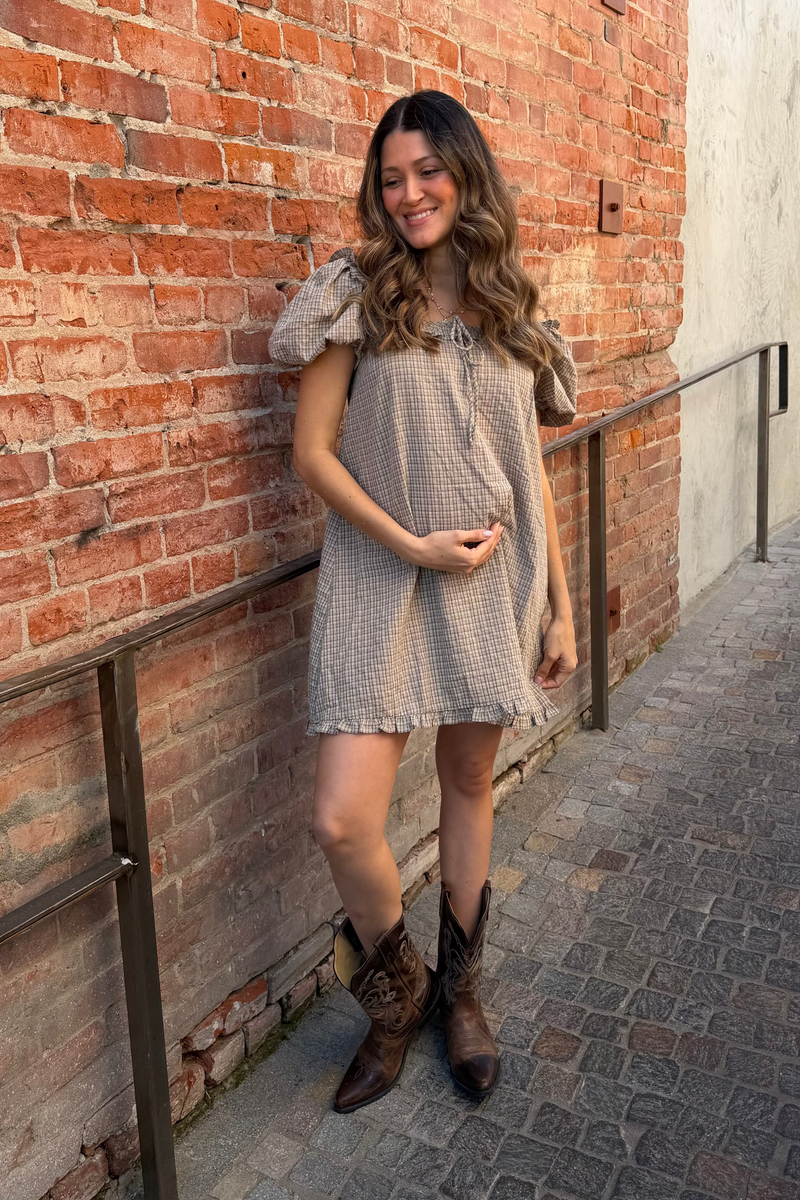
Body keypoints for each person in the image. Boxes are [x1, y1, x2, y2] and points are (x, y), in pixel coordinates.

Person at [267, 90, 578, 1114]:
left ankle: (464, 996)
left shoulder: (510, 304)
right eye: (391, 178)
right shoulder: (355, 294)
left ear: (465, 173)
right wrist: (407, 542)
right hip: (378, 574)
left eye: (427, 172)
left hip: (491, 579)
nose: (409, 194)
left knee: (469, 779)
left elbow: (528, 470)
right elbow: (312, 453)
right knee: (341, 817)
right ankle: (399, 998)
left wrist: (561, 605)